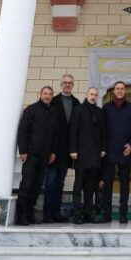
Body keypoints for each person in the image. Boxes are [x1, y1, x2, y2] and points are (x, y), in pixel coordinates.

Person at [15, 86, 62, 226]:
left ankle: (30, 214)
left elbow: (55, 135)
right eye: (45, 93)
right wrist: (23, 151)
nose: (47, 96)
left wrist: (53, 152)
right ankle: (21, 216)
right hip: (31, 155)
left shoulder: (54, 112)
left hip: (45, 156)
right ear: (40, 94)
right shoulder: (31, 110)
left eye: (50, 94)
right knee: (27, 185)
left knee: (37, 187)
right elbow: (23, 131)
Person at [100, 81, 131, 224]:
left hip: (125, 152)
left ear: (125, 90)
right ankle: (107, 214)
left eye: (122, 88)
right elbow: (101, 129)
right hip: (109, 152)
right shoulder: (106, 108)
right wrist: (102, 148)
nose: (120, 90)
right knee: (107, 185)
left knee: (124, 184)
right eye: (117, 88)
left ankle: (123, 214)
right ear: (114, 91)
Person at [68, 86, 105, 225]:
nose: (93, 96)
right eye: (91, 94)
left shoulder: (99, 112)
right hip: (81, 154)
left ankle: (89, 214)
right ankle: (77, 215)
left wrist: (103, 148)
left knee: (91, 187)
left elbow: (103, 131)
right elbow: (73, 130)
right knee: (78, 186)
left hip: (95, 154)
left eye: (95, 95)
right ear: (87, 94)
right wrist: (73, 149)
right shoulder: (78, 110)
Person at [43, 74, 76, 222]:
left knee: (60, 183)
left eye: (70, 83)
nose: (67, 85)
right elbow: (48, 129)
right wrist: (50, 151)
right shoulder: (54, 102)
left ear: (72, 85)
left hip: (66, 152)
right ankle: (47, 214)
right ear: (61, 84)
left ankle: (56, 213)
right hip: (53, 151)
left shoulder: (76, 103)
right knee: (50, 182)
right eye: (65, 82)